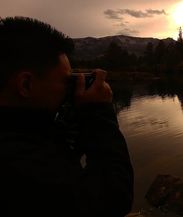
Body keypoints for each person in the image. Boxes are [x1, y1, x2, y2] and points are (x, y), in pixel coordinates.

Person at [0, 17, 134, 216]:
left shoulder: (18, 137)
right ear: (26, 84)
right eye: (66, 81)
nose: (70, 90)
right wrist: (99, 113)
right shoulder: (18, 163)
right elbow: (112, 200)